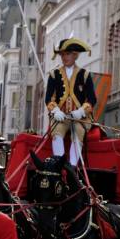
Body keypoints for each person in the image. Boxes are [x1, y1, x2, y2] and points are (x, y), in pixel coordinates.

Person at [45, 37, 97, 166]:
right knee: (56, 131)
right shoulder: (53, 74)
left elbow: (91, 99)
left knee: (78, 131)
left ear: (75, 55)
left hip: (80, 118)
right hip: (60, 117)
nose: (64, 57)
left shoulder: (85, 75)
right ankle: (59, 163)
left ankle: (72, 166)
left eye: (67, 54)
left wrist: (81, 111)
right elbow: (49, 99)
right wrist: (55, 110)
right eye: (62, 54)